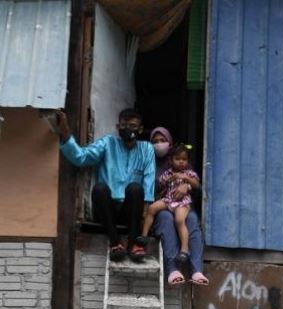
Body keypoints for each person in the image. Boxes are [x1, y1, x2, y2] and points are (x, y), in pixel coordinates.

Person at [57, 108, 155, 262]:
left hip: (130, 212)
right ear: (118, 127)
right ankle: (115, 243)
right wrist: (65, 133)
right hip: (107, 209)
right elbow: (81, 158)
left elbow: (149, 182)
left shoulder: (147, 149)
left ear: (141, 129)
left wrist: (145, 214)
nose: (128, 129)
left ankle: (133, 244)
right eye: (124, 125)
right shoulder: (108, 143)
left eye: (133, 125)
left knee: (136, 188)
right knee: (99, 188)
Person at [148, 127, 208, 285]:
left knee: (193, 220)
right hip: (163, 205)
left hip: (183, 205)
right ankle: (172, 269)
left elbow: (199, 188)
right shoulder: (148, 160)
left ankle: (196, 271)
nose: (159, 144)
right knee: (166, 218)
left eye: (163, 141)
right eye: (155, 142)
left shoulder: (182, 164)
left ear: (170, 143)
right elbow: (148, 188)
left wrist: (186, 186)